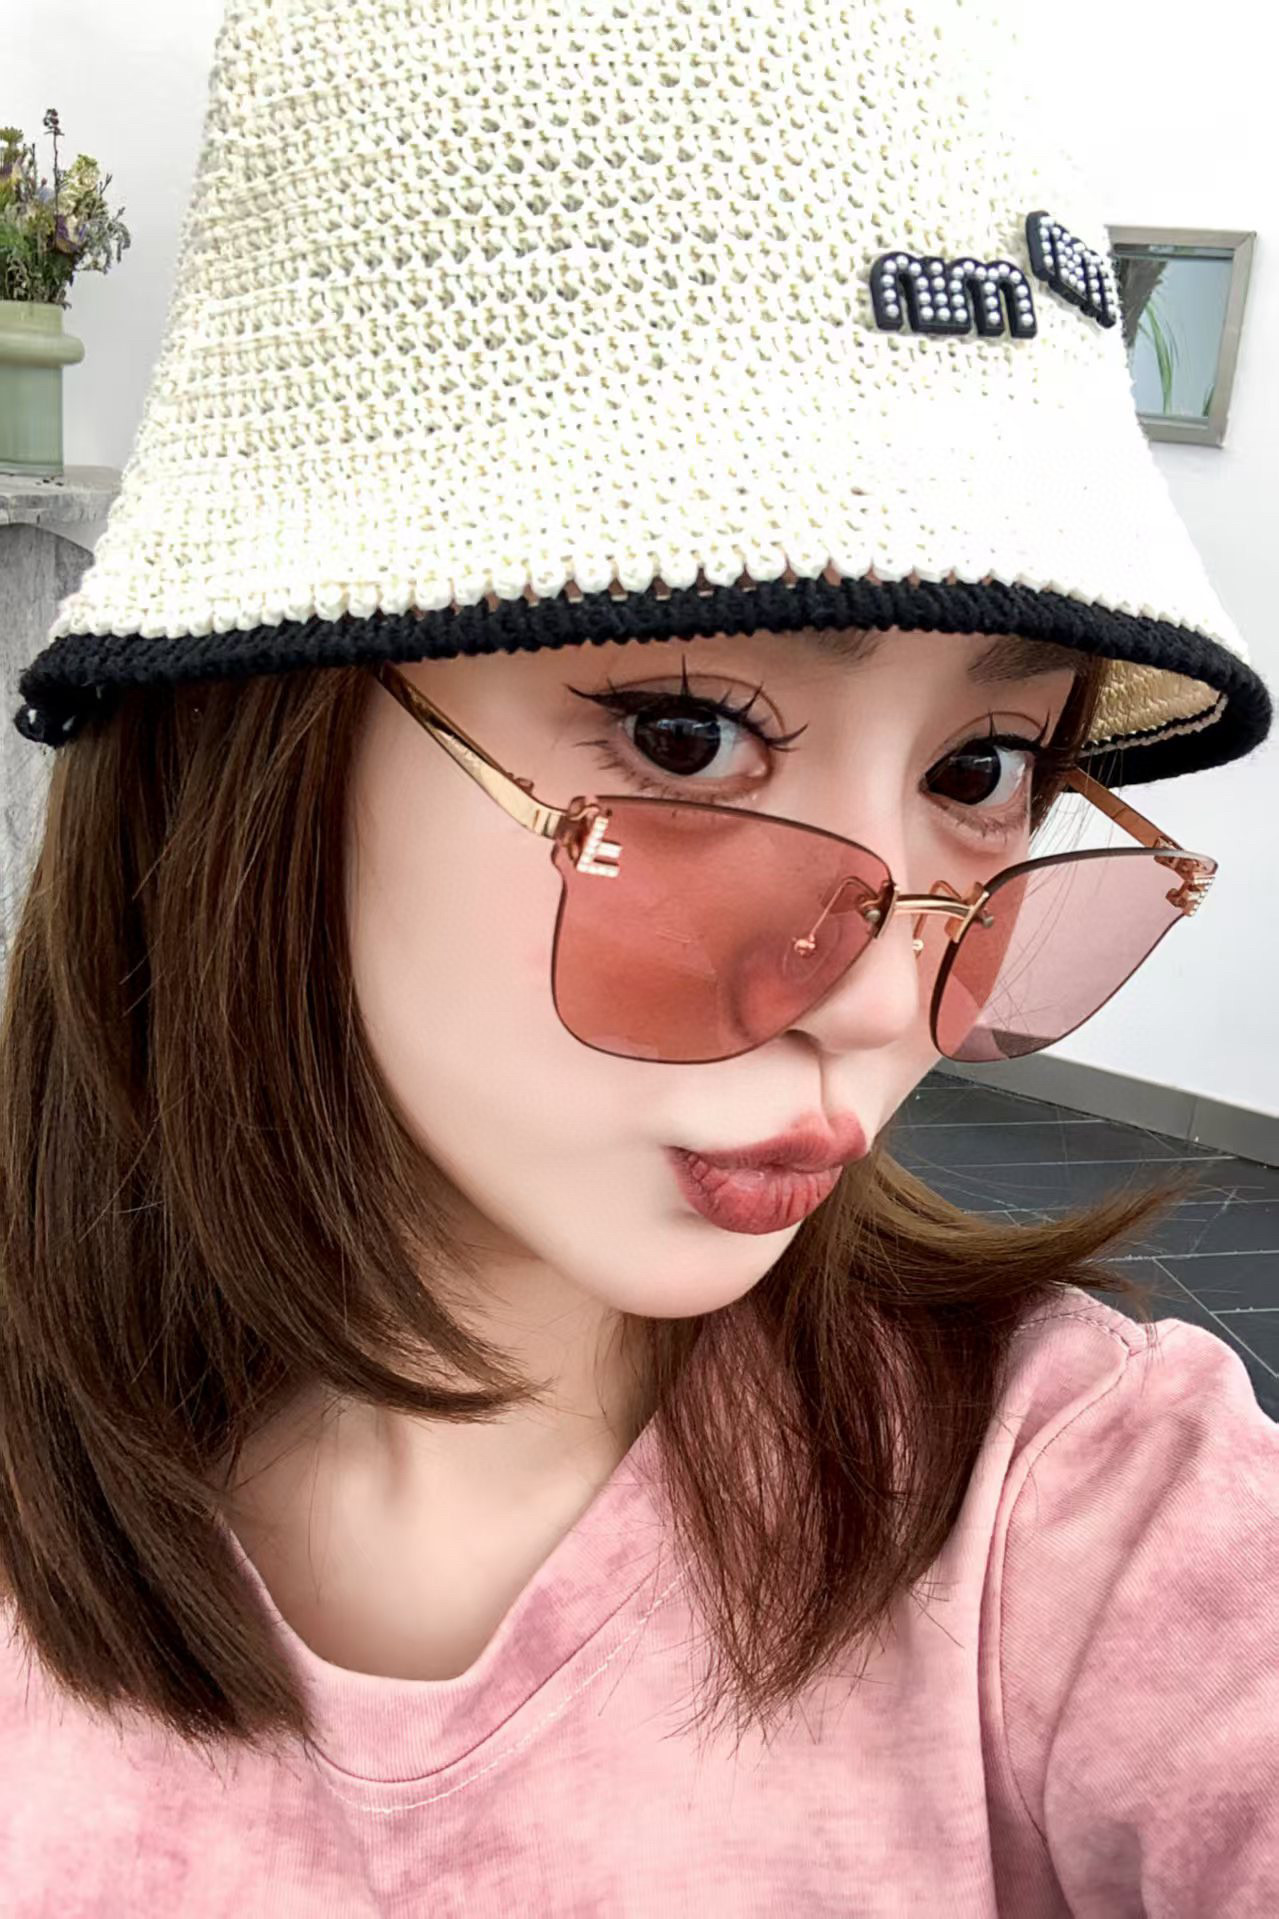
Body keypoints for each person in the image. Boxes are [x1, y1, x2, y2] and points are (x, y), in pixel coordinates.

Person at [2, 0, 1275, 1912]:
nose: (878, 997)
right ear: (256, 741)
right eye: (688, 736)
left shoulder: (1081, 1505)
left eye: (985, 771)